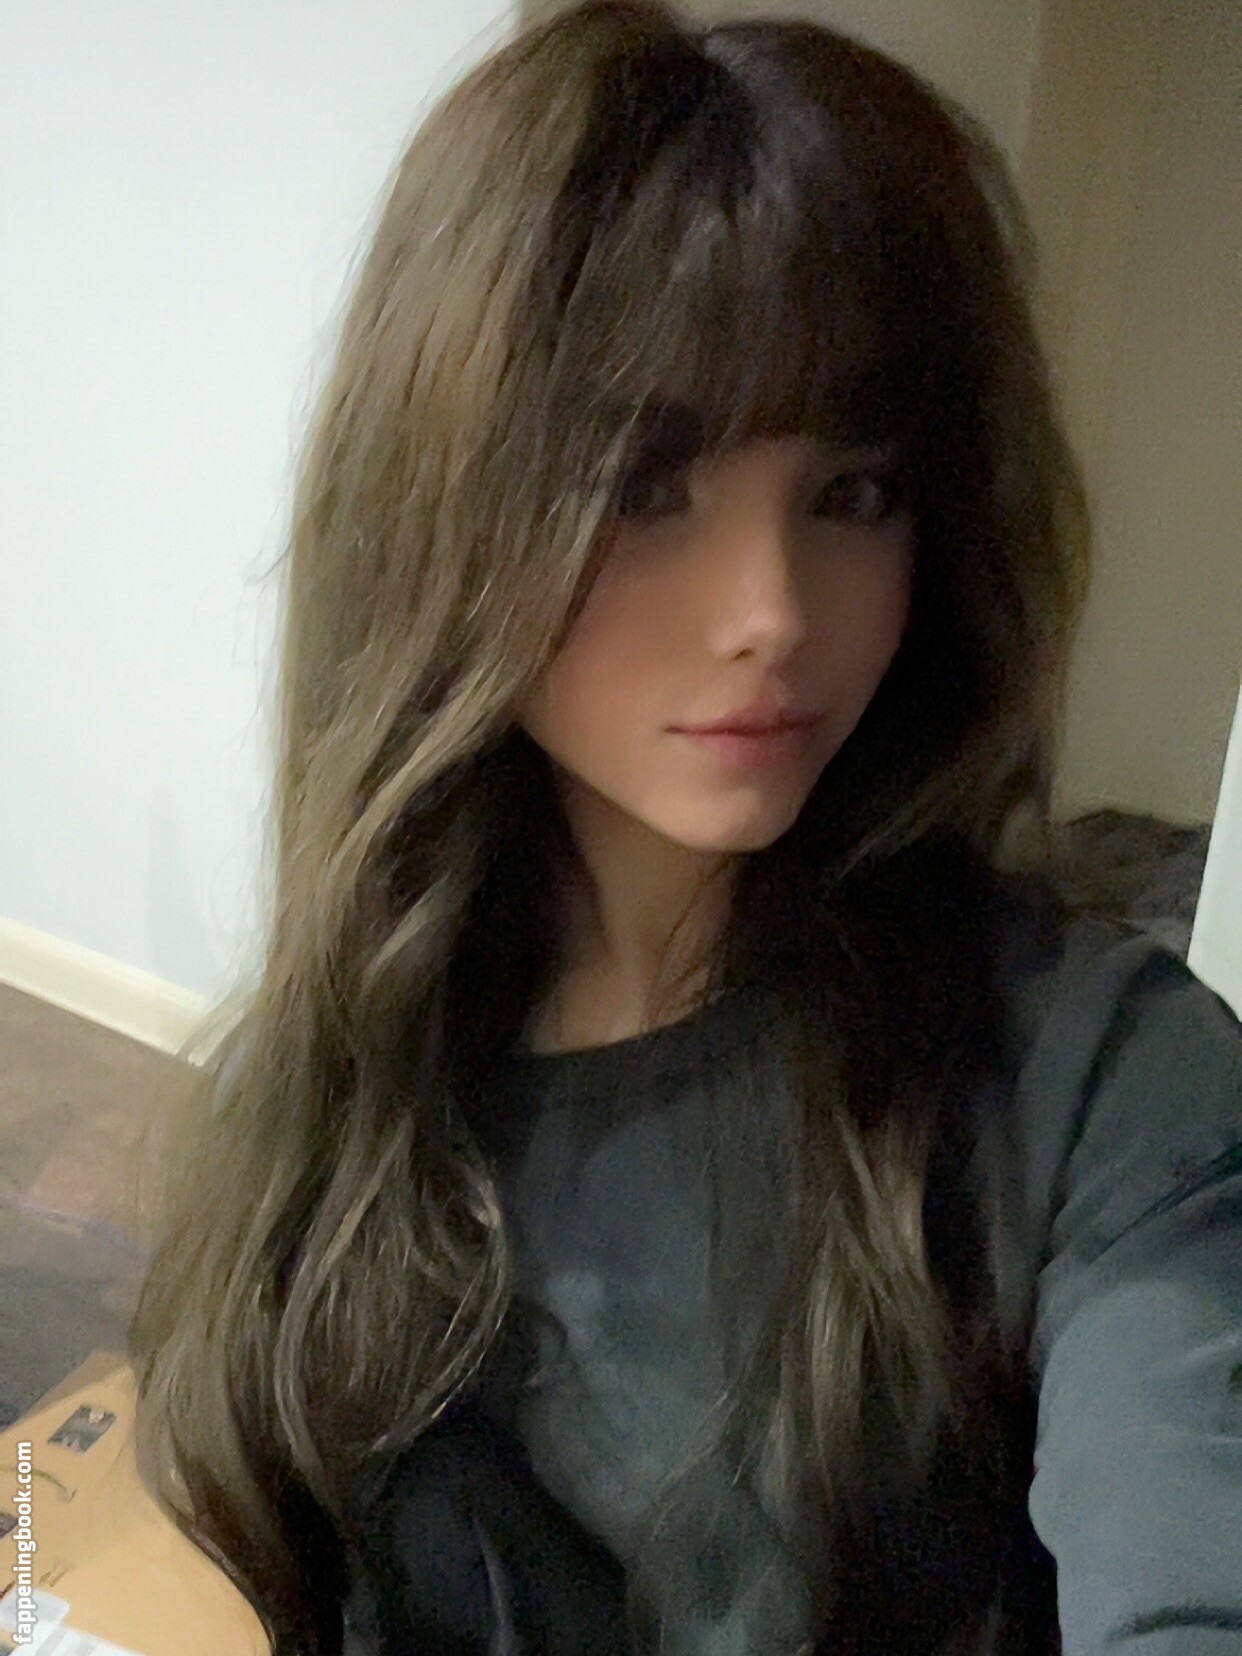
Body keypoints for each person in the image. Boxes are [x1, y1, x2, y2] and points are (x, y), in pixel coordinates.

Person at [126, 1, 1242, 1652]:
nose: (770, 612)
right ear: (444, 515)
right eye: (646, 487)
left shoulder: (1100, 1084)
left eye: (852, 492)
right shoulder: (342, 1073)